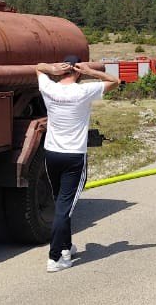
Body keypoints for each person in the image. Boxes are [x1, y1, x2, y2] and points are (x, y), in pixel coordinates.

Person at [35, 56, 121, 273]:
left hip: (52, 154)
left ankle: (66, 247)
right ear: (78, 72)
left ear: (62, 70)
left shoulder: (49, 88)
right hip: (73, 157)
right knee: (64, 207)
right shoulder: (83, 91)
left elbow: (38, 67)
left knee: (61, 202)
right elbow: (115, 81)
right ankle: (55, 258)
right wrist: (92, 71)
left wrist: (51, 68)